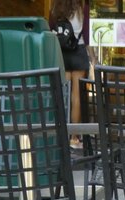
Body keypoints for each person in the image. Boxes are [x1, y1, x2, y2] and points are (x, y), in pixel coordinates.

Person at [49, 0, 93, 148]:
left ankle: (63, 134)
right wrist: (93, 58)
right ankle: (74, 137)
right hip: (78, 51)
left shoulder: (55, 7)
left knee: (64, 95)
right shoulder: (82, 8)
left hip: (62, 52)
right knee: (76, 97)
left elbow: (50, 30)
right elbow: (86, 35)